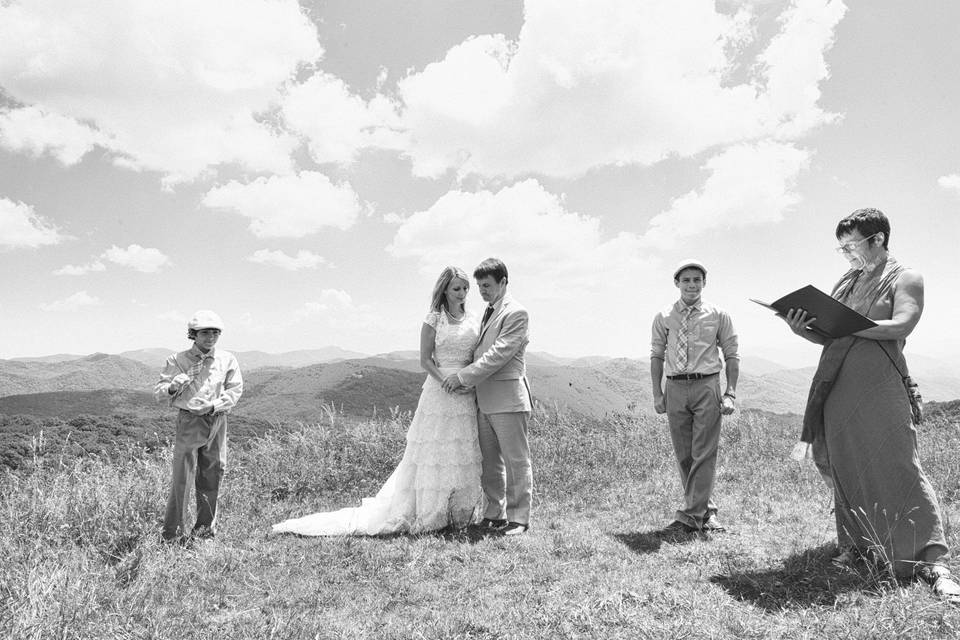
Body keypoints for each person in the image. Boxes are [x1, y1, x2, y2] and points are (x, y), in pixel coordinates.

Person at [781, 208, 960, 602]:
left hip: (880, 387)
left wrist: (847, 324)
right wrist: (803, 328)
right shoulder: (847, 281)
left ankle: (933, 560)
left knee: (899, 466)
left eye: (851, 245)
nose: (846, 254)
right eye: (841, 248)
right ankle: (863, 547)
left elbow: (902, 325)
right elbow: (833, 337)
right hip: (838, 386)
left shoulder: (906, 276)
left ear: (877, 239)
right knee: (846, 465)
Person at [272, 267, 482, 535]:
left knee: (460, 449)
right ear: (444, 290)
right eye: (456, 288)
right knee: (434, 453)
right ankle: (432, 511)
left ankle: (459, 510)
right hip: (441, 391)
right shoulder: (434, 318)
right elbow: (425, 360)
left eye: (465, 288)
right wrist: (446, 382)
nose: (462, 293)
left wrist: (467, 380)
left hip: (466, 391)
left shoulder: (473, 318)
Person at [442, 258, 533, 536]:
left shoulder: (516, 313)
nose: (482, 291)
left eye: (487, 285)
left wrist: (462, 377)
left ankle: (519, 518)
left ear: (504, 282)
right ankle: (495, 513)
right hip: (483, 399)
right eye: (479, 286)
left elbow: (498, 355)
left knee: (516, 460)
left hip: (507, 398)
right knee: (490, 462)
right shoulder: (488, 312)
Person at [650, 259, 739, 533]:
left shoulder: (718, 315)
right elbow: (656, 355)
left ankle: (689, 516)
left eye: (697, 280)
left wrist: (730, 393)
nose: (692, 284)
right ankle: (707, 512)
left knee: (704, 452)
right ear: (677, 283)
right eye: (686, 280)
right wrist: (658, 393)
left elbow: (732, 354)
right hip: (675, 387)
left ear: (704, 283)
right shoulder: (664, 316)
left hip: (706, 386)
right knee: (684, 454)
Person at [154, 310, 243, 542]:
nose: (210, 336)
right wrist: (173, 386)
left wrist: (213, 405)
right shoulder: (177, 360)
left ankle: (204, 532)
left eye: (215, 332)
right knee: (182, 476)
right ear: (193, 334)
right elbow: (159, 392)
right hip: (190, 420)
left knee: (213, 473)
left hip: (216, 419)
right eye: (205, 332)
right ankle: (173, 534)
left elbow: (235, 389)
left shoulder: (226, 359)